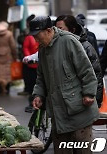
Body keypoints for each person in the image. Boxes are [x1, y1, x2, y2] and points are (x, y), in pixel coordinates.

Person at [29, 16, 99, 154]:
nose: (36, 40)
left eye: (37, 36)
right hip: (58, 113)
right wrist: (38, 95)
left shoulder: (68, 41)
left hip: (78, 110)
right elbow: (41, 77)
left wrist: (89, 93)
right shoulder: (43, 49)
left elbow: (86, 70)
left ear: (48, 31)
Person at [55, 15, 103, 108]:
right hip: (62, 101)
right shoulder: (54, 47)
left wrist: (96, 98)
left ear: (72, 30)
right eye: (55, 29)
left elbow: (96, 73)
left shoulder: (85, 47)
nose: (57, 32)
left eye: (60, 29)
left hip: (82, 99)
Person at [0, 21, 17, 94]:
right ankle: (7, 87)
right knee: (7, 71)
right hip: (8, 55)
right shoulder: (9, 34)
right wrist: (15, 55)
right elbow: (13, 46)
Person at [21, 15, 39, 112]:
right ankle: (31, 103)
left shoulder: (40, 36)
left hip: (39, 66)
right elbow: (26, 48)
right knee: (31, 86)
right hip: (30, 65)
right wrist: (29, 58)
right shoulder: (28, 37)